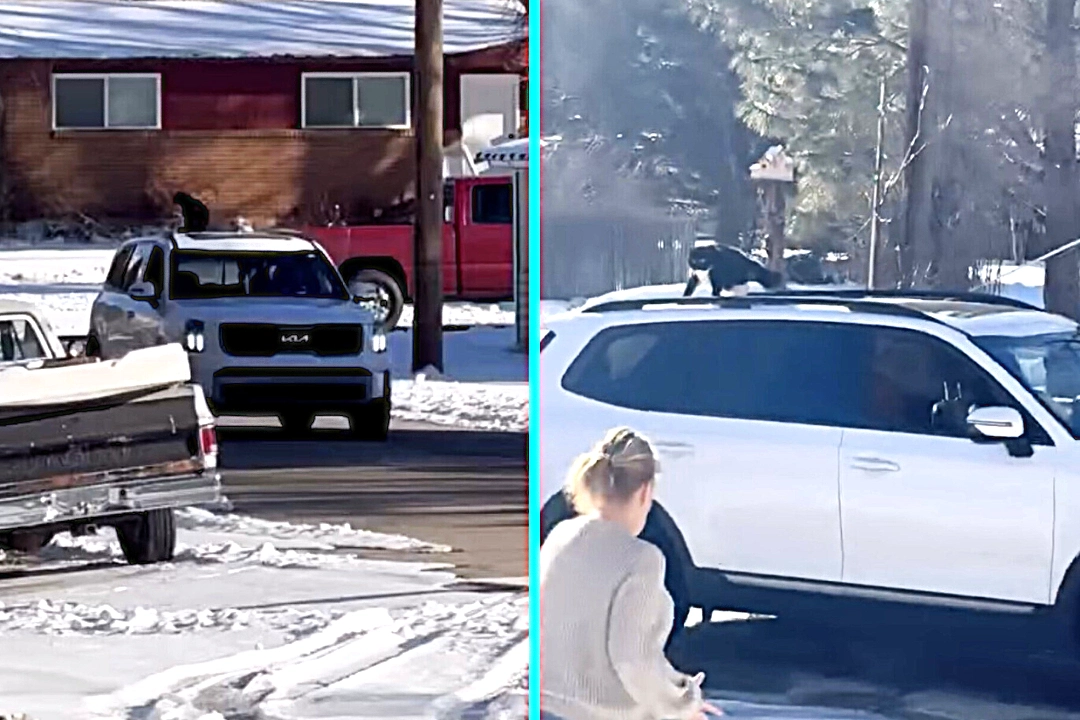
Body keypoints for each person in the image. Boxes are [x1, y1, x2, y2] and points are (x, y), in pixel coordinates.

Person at [539, 427, 723, 720]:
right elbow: (633, 660)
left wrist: (676, 689)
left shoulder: (560, 535)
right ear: (645, 491)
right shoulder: (641, 560)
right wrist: (683, 704)